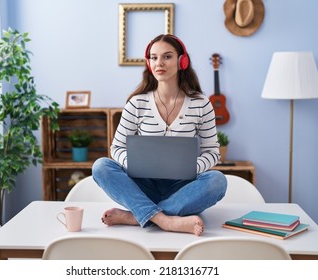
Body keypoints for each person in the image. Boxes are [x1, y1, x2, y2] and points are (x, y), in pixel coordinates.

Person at [92, 34, 227, 236]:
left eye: (167, 56)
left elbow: (212, 152)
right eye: (154, 58)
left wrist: (192, 168)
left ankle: (136, 216)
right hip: (144, 185)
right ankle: (166, 220)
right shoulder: (137, 103)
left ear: (182, 61)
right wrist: (135, 165)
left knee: (218, 180)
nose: (159, 63)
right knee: (101, 166)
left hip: (184, 189)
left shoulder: (201, 104)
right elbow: (116, 148)